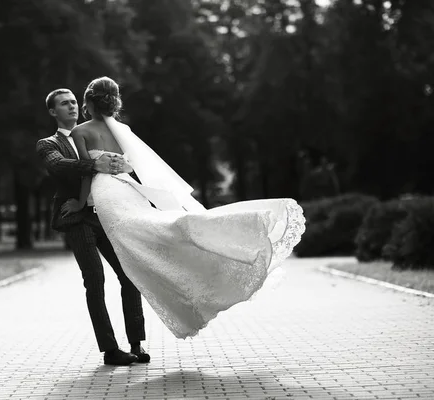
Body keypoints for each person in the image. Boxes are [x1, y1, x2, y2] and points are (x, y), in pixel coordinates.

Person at [65, 76, 306, 339]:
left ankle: (182, 279)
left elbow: (86, 172)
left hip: (106, 193)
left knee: (137, 245)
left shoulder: (80, 131)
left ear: (88, 101)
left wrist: (79, 202)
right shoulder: (122, 130)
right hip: (127, 188)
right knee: (147, 231)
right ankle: (200, 239)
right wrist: (121, 168)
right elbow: (132, 166)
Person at [36, 88, 150, 366]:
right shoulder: (48, 143)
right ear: (53, 112)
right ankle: (111, 350)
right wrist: (93, 164)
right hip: (77, 217)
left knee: (128, 275)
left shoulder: (99, 130)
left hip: (106, 214)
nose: (72, 107)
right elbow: (59, 166)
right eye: (64, 104)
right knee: (95, 281)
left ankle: (137, 344)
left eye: (74, 102)